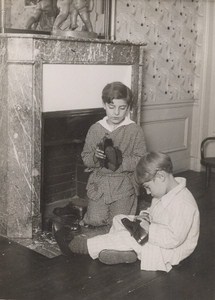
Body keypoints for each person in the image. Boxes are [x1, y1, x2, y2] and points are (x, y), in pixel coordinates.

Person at [54, 152, 200, 272]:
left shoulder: (183, 203)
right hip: (155, 232)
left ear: (161, 177)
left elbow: (173, 240)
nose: (148, 193)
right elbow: (156, 212)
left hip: (169, 251)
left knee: (128, 237)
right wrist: (145, 216)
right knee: (119, 218)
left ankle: (77, 246)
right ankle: (121, 251)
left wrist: (150, 229)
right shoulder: (163, 192)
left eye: (148, 187)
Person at [80, 81, 147, 227]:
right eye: (112, 107)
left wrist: (120, 161)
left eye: (122, 108)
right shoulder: (95, 129)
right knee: (95, 221)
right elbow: (86, 158)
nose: (116, 113)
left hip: (123, 184)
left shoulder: (134, 130)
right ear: (104, 105)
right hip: (100, 184)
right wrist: (96, 157)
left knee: (120, 224)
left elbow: (141, 159)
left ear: (128, 108)